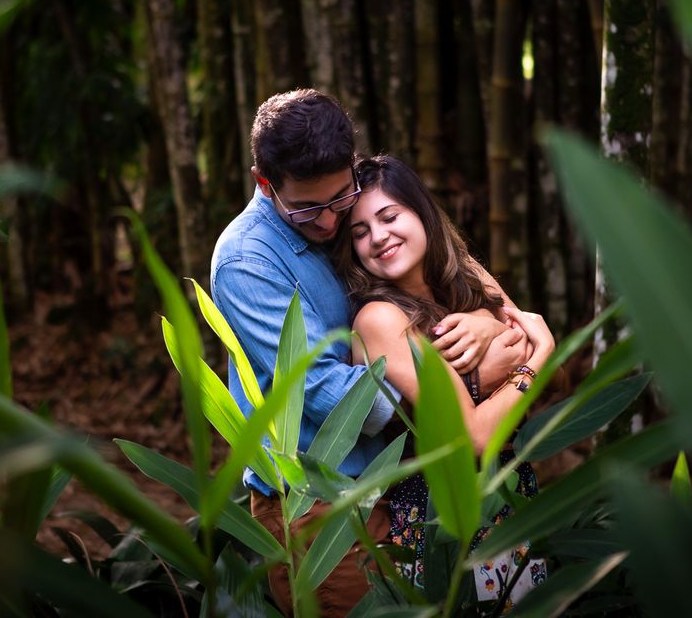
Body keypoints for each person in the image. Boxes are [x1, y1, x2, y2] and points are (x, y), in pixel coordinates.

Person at [210, 89, 525, 616]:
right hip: (320, 500)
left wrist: (485, 323)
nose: (332, 223)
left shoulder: (359, 204)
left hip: (406, 485)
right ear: (264, 183)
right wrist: (467, 380)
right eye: (309, 207)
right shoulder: (246, 263)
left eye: (340, 200)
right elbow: (324, 395)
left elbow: (472, 288)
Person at [334, 154, 555, 603]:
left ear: (422, 212)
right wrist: (539, 357)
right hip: (443, 517)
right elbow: (474, 435)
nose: (378, 237)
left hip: (511, 498)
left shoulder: (465, 274)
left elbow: (548, 369)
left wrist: (488, 324)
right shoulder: (379, 318)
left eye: (389, 216)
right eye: (360, 232)